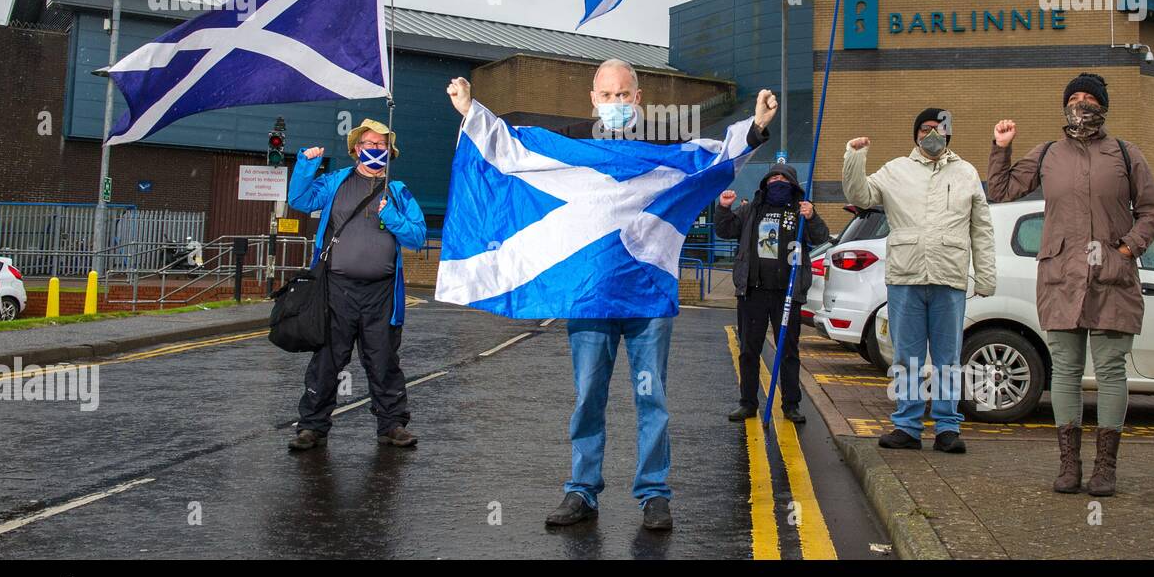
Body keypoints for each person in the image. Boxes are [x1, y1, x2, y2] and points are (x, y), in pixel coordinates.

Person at [446, 59, 776, 531]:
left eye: (625, 95)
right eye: (608, 95)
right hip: (590, 298)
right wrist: (470, 110)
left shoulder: (664, 148)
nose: (617, 103)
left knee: (652, 400)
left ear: (638, 99)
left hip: (646, 296)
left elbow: (716, 158)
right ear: (593, 99)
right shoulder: (571, 145)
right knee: (588, 398)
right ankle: (581, 491)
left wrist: (757, 125)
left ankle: (654, 494)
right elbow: (512, 151)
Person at [987, 73, 1154, 496]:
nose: (1081, 104)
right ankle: (1069, 466)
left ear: (1103, 107)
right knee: (1064, 371)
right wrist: (1002, 147)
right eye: (1074, 98)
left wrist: (1128, 249)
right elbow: (1000, 190)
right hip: (1062, 276)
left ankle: (1105, 468)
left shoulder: (1125, 153)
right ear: (1064, 105)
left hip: (1111, 278)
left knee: (1110, 371)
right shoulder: (1048, 153)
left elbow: (1151, 212)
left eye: (1089, 99)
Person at [842, 108, 996, 453]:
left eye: (939, 129)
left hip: (949, 276)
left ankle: (947, 428)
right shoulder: (896, 170)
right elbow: (860, 196)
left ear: (949, 134)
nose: (932, 134)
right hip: (905, 277)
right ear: (915, 134)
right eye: (926, 129)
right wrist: (854, 157)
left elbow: (981, 229)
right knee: (906, 357)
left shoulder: (966, 173)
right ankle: (907, 426)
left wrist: (985, 277)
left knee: (948, 358)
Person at [285, 118, 428, 451]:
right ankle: (312, 427)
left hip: (381, 294)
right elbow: (301, 200)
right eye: (368, 145)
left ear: (390, 152)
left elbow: (418, 236)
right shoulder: (336, 183)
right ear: (355, 151)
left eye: (381, 145)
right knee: (328, 360)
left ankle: (392, 425)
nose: (374, 150)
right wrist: (306, 165)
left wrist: (391, 216)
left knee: (383, 361)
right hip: (336, 290)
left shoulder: (398, 191)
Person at [715, 163, 829, 424]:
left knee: (788, 351)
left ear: (793, 183)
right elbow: (725, 230)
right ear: (765, 182)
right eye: (773, 177)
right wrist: (723, 208)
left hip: (786, 295)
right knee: (748, 350)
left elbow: (820, 236)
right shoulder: (752, 209)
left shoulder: (801, 210)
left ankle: (791, 404)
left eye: (783, 178)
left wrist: (812, 217)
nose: (778, 181)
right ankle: (747, 402)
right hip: (753, 292)